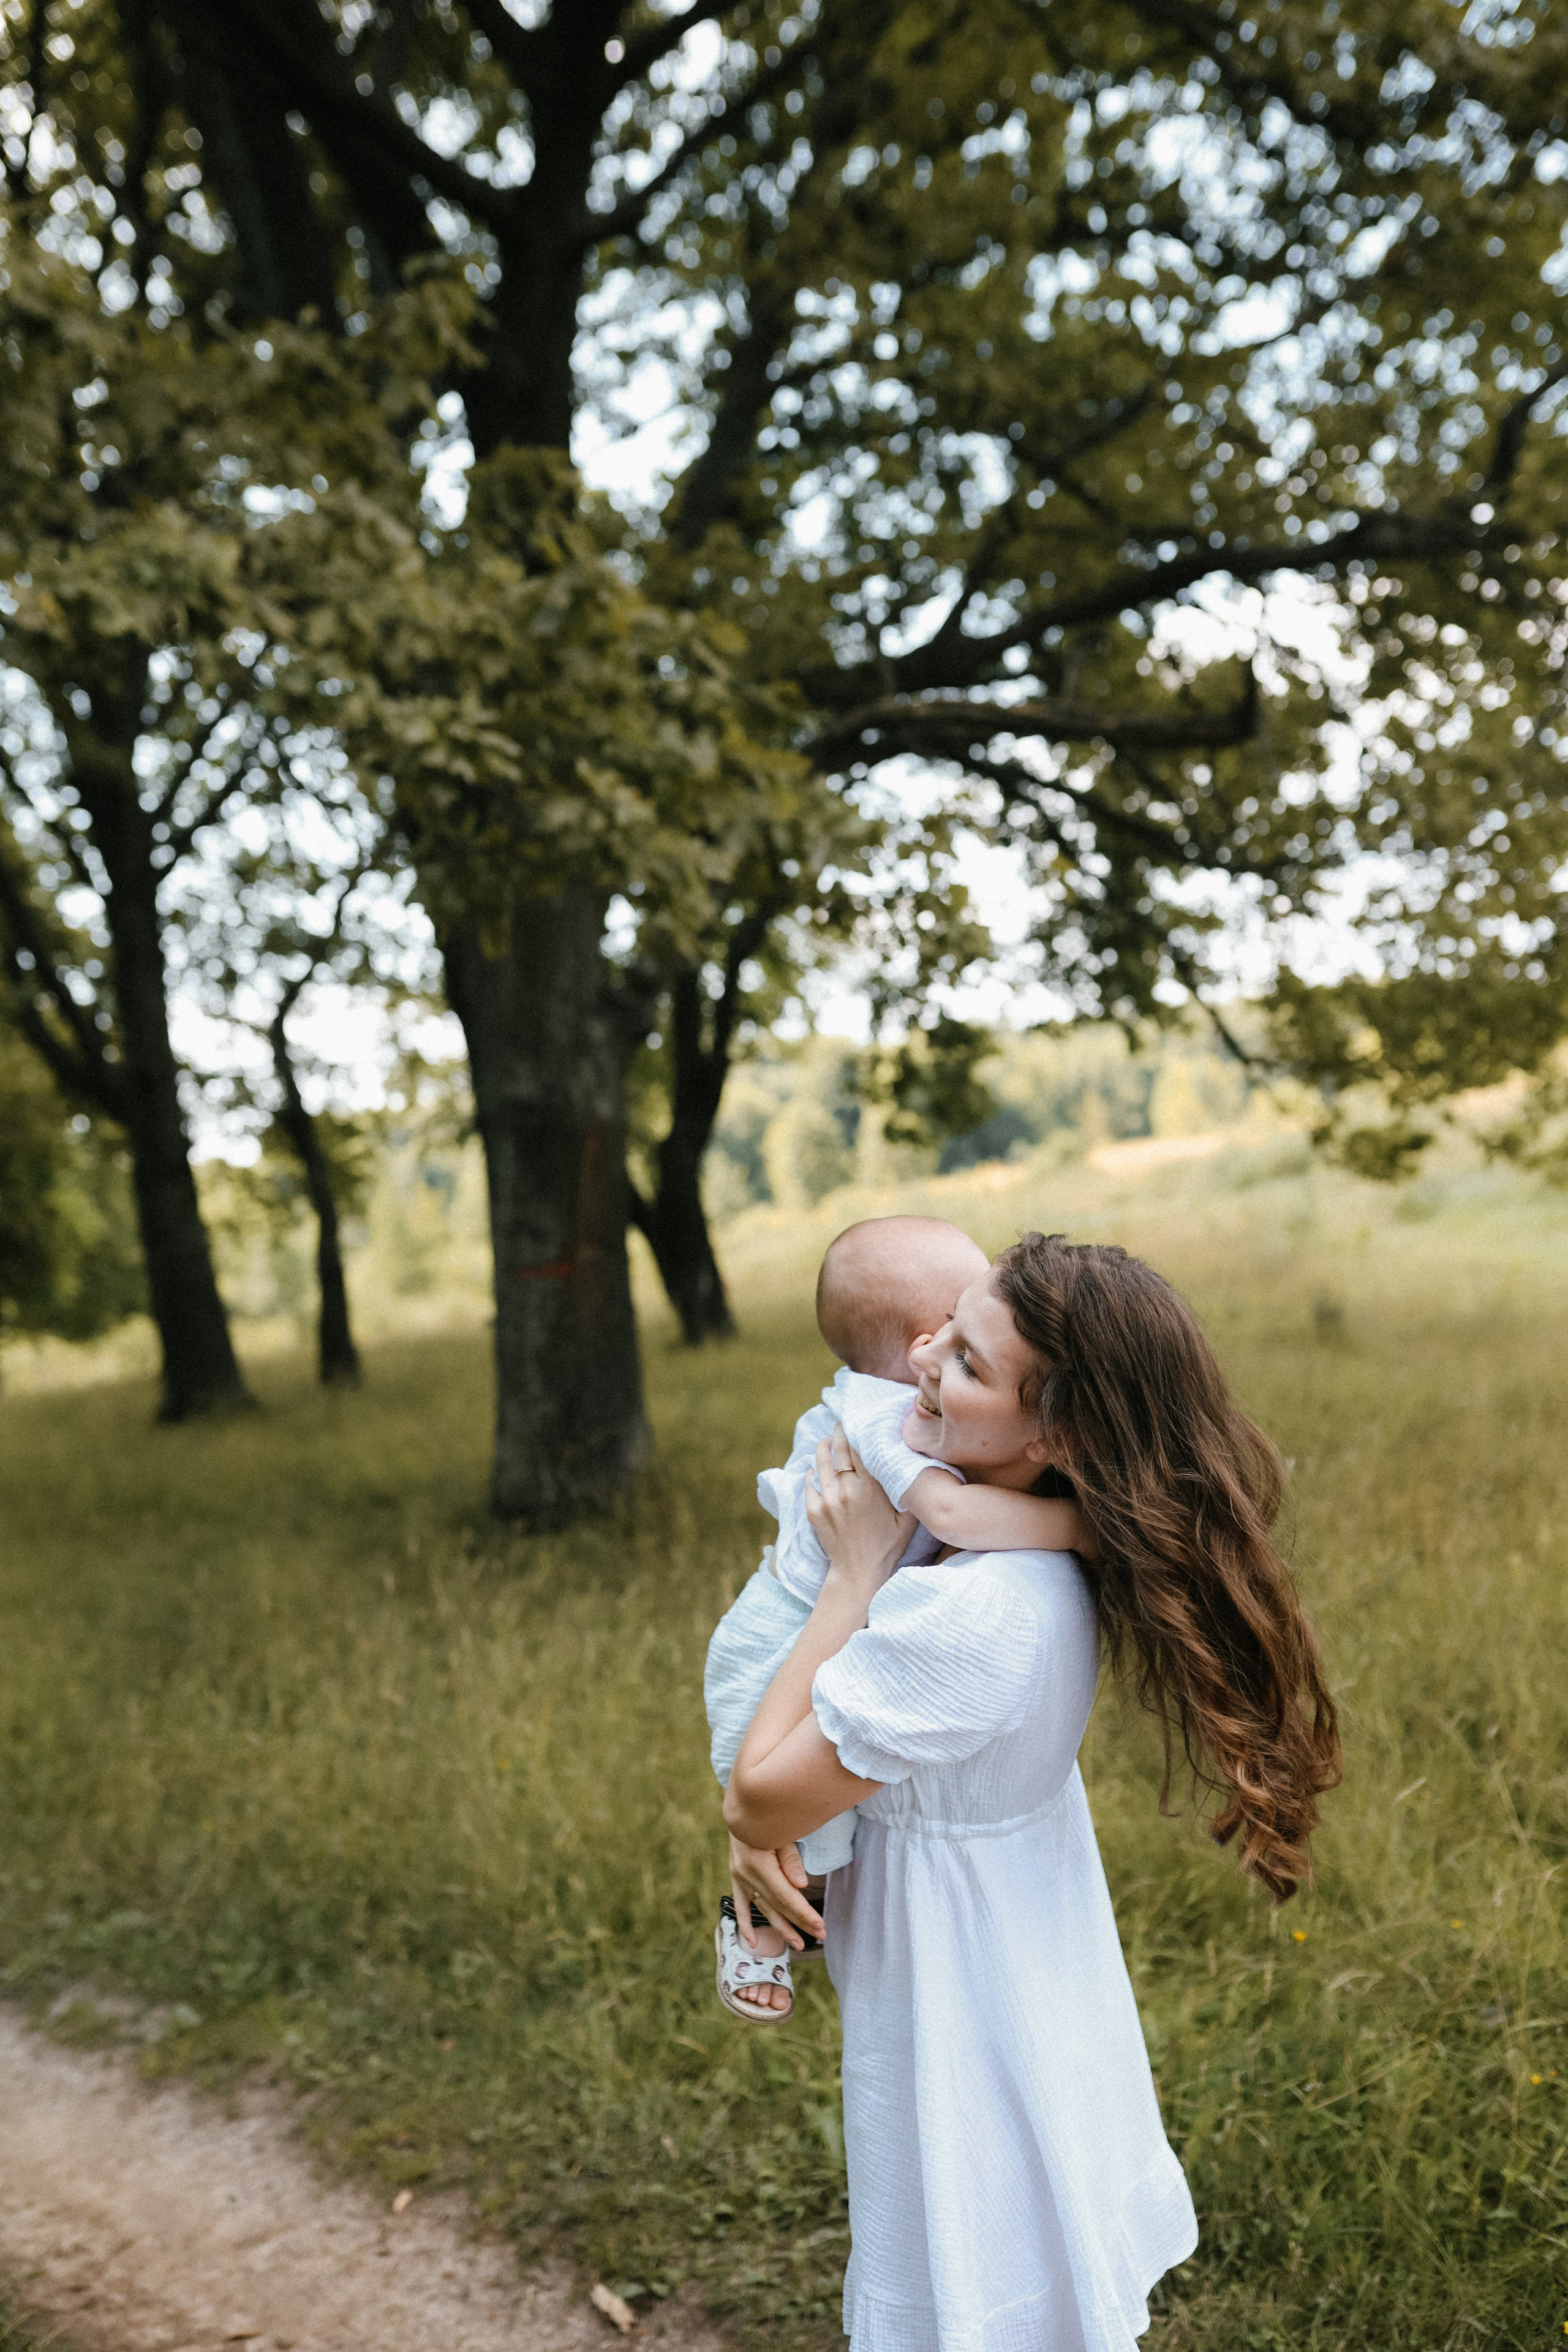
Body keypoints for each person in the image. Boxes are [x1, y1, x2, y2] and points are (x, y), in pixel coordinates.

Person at [725, 1231, 1341, 2352]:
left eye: (964, 1363)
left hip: (962, 2001)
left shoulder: (967, 1613)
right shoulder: (1029, 1557)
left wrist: (853, 1580)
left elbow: (761, 1797)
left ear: (1055, 1433)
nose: (919, 1365)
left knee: (977, 2268)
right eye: (942, 1334)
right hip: (1019, 1954)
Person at [707, 1214, 1088, 2023]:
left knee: (805, 1819)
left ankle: (782, 1916)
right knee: (787, 1825)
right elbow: (951, 1513)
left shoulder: (993, 1596)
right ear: (919, 1338)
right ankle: (756, 1933)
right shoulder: (883, 1423)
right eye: (956, 1326)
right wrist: (1092, 1530)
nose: (950, 1344)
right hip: (777, 1626)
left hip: (813, 1613)